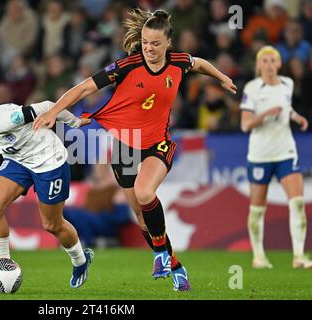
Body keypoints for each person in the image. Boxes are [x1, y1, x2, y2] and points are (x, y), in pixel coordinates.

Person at [33, 8, 237, 291]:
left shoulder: (178, 62)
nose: (149, 49)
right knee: (140, 215)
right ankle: (172, 263)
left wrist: (221, 77)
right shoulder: (127, 66)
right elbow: (83, 88)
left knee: (144, 193)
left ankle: (161, 256)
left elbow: (199, 63)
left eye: (155, 44)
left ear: (168, 43)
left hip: (158, 142)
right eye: (144, 43)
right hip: (124, 144)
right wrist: (54, 111)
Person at [0, 78, 94, 288]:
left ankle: (80, 260)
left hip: (48, 161)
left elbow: (46, 107)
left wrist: (74, 122)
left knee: (52, 224)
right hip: (18, 162)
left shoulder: (9, 117)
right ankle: (3, 266)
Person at [240, 46, 311, 269]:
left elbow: (286, 108)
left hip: (285, 152)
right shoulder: (252, 89)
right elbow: (245, 125)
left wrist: (296, 116)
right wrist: (263, 115)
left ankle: (299, 256)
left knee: (298, 202)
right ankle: (259, 256)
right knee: (258, 208)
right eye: (265, 61)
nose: (269, 65)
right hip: (260, 155)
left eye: (273, 61)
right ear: (259, 65)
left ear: (280, 64)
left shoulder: (287, 84)